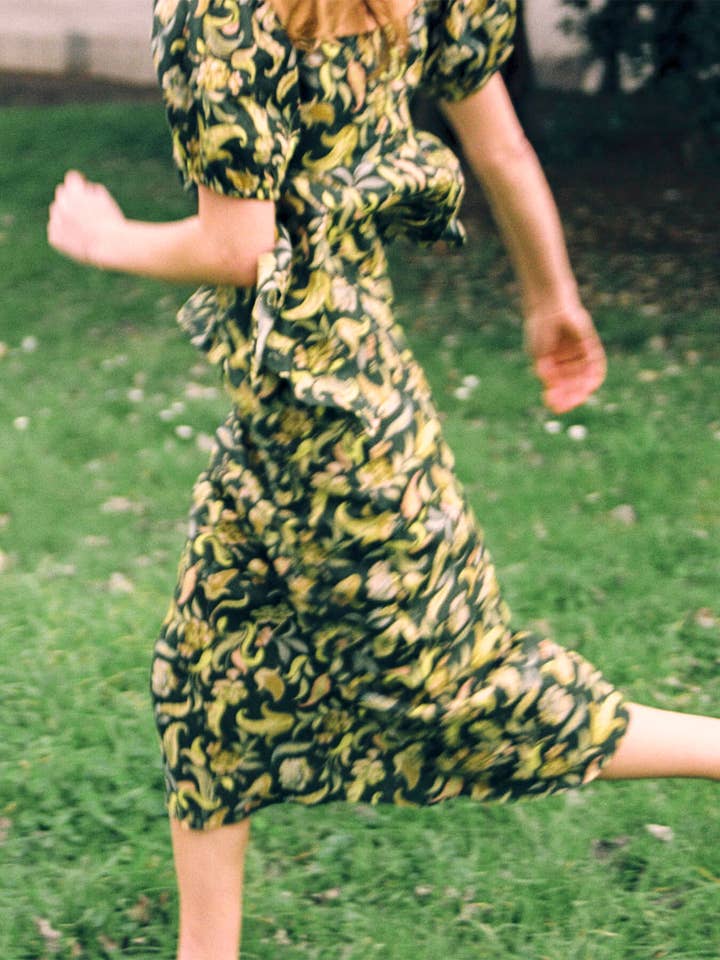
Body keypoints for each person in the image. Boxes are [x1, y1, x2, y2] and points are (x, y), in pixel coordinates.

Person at [47, 1, 719, 958]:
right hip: (319, 392)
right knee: (207, 686)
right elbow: (502, 147)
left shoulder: (220, 16)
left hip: (328, 426)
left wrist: (103, 236)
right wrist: (552, 298)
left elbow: (238, 248)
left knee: (467, 699)